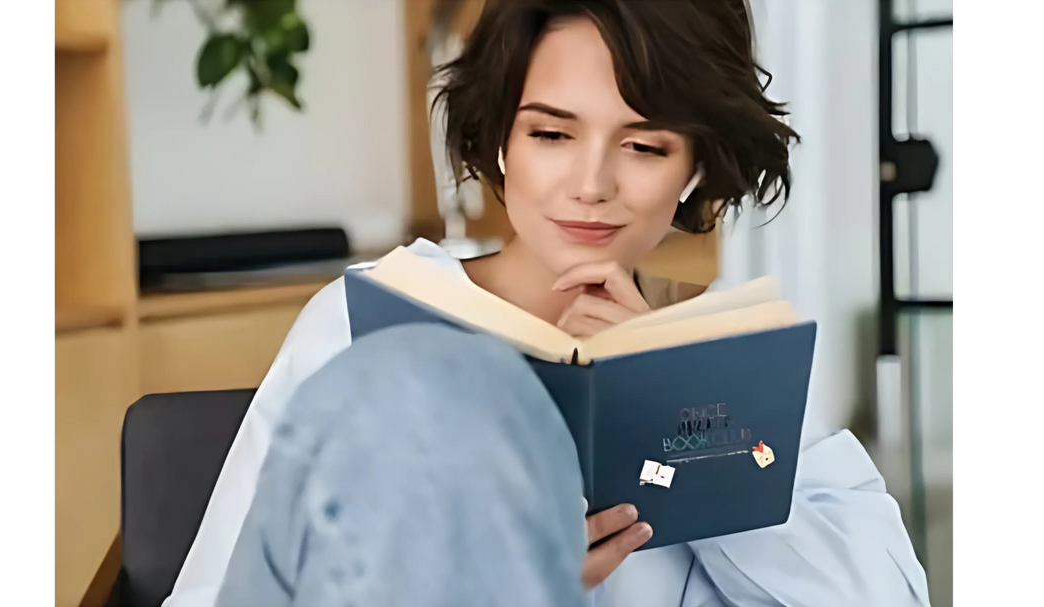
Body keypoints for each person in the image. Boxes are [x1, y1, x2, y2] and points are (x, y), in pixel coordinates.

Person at [163, 1, 930, 606]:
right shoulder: (359, 324)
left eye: (645, 146)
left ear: (696, 166)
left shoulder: (731, 350)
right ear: (501, 138)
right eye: (553, 134)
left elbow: (884, 594)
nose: (591, 184)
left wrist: (686, 410)